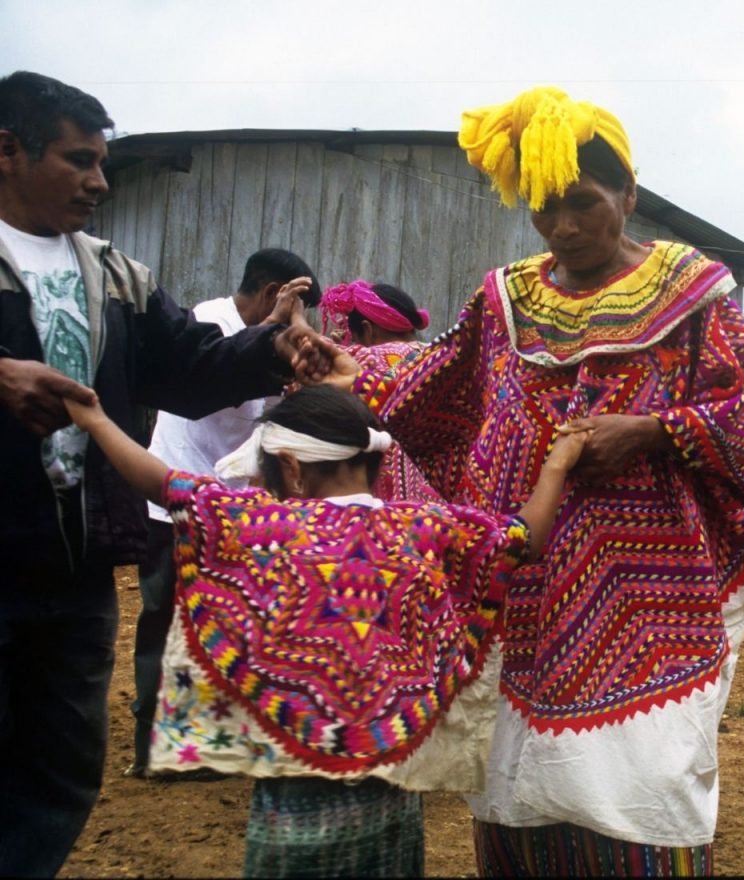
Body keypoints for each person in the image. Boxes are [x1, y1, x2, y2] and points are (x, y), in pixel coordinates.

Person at [300, 85, 744, 875]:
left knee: (646, 773)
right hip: (522, 578)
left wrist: (654, 432)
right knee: (514, 778)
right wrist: (353, 374)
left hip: (649, 592)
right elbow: (439, 384)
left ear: (628, 195)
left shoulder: (693, 293)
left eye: (583, 202)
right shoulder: (506, 299)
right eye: (544, 207)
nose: (563, 226)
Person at [63, 382, 588, 878]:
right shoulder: (423, 528)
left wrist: (96, 420)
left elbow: (163, 483)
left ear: (291, 469)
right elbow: (524, 536)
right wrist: (558, 464)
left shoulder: (263, 526)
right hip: (391, 791)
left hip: (292, 805)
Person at [0, 70, 320, 876]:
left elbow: (188, 367)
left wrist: (270, 347)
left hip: (74, 566)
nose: (99, 182)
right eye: (78, 161)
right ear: (7, 151)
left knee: (60, 768)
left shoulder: (113, 276)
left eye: (101, 163)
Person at [125, 248, 322, 780]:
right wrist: (271, 333)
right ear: (271, 294)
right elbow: (211, 388)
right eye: (297, 307)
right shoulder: (206, 323)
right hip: (175, 503)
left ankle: (206, 741)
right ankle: (153, 749)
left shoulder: (273, 341)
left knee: (222, 625)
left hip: (231, 510)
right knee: (166, 622)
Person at [315, 278, 437, 502]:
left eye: (355, 338)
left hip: (389, 498)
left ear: (367, 330)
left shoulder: (367, 359)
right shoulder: (436, 356)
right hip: (440, 500)